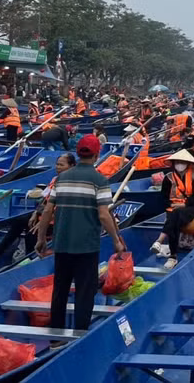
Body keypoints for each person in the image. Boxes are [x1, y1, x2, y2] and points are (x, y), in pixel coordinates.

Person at [36, 136, 125, 340]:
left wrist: (41, 238)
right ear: (97, 155)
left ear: (78, 154)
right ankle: (79, 336)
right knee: (85, 293)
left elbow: (48, 211)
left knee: (60, 291)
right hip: (86, 246)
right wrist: (116, 240)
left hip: (62, 244)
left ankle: (56, 339)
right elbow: (103, 215)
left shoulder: (62, 178)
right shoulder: (100, 180)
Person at [0, 153, 77, 260]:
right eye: (57, 164)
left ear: (72, 166)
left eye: (62, 165)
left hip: (57, 222)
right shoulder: (55, 179)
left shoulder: (71, 184)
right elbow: (45, 200)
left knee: (31, 235)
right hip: (44, 216)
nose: (58, 167)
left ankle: (32, 260)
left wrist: (42, 222)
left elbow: (60, 209)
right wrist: (35, 213)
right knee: (20, 220)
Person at [149, 149, 194, 270]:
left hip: (193, 206)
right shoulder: (168, 178)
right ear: (173, 164)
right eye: (177, 162)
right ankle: (172, 256)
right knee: (174, 218)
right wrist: (171, 204)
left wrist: (183, 205)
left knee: (175, 215)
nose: (180, 164)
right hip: (173, 208)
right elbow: (163, 197)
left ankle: (161, 242)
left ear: (188, 163)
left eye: (182, 162)